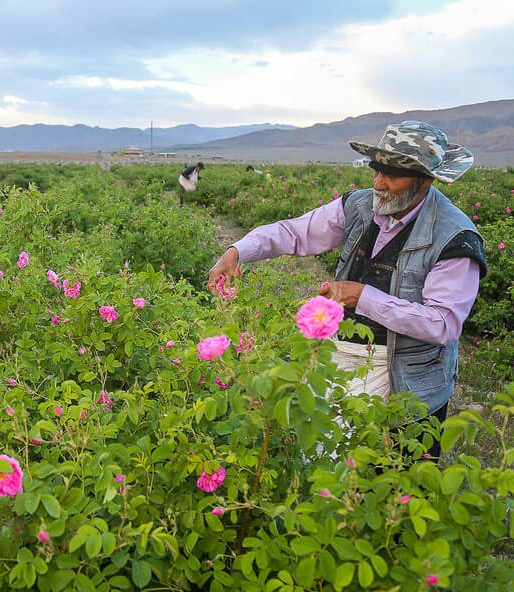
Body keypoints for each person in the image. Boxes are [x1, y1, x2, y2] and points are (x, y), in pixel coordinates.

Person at [207, 121, 486, 460]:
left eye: (393, 176)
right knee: (324, 463)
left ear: (426, 180)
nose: (379, 184)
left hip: (404, 371)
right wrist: (237, 251)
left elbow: (442, 323)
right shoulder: (360, 206)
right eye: (377, 171)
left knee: (393, 481)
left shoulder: (454, 237)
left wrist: (362, 296)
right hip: (343, 354)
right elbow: (295, 232)